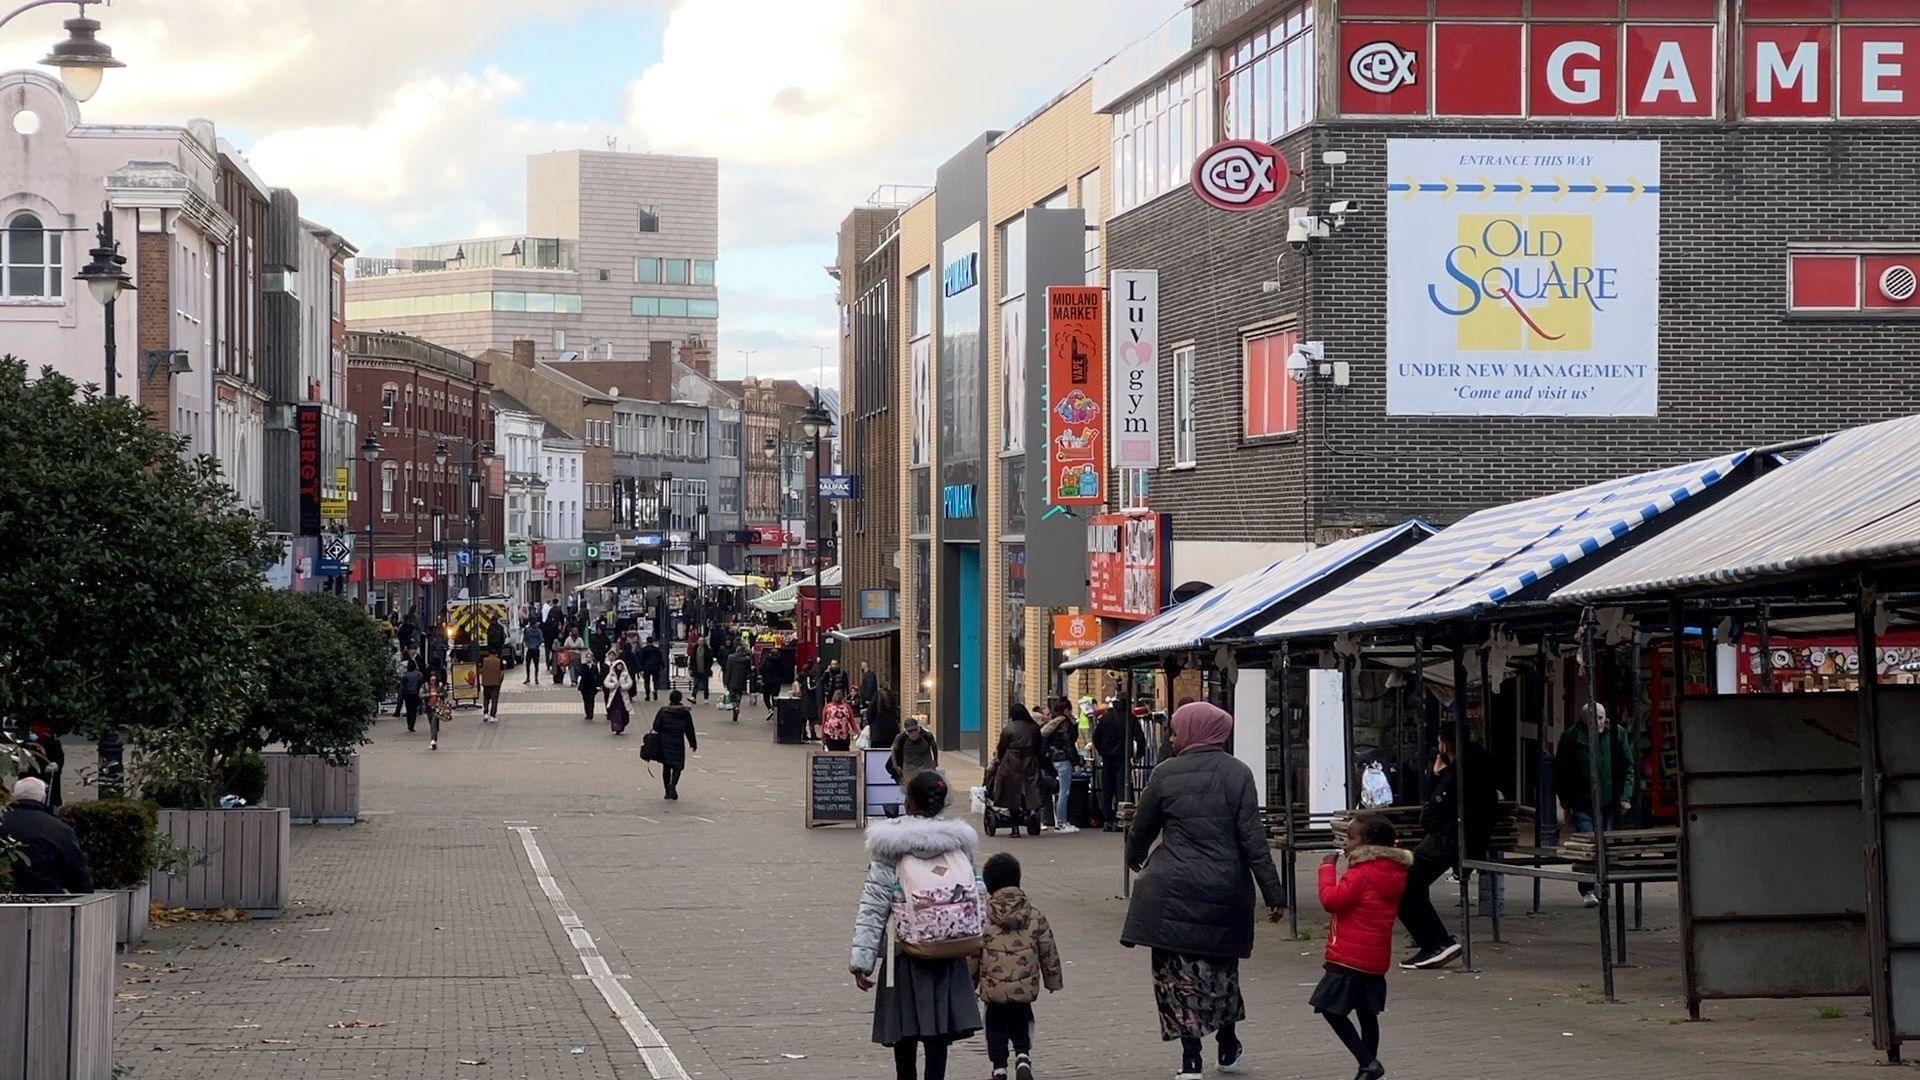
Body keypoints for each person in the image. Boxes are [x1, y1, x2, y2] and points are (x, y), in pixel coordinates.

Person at [1121, 701, 1286, 1079]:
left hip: (1171, 891)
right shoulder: (1238, 773)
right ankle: (1227, 1045)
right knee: (1221, 973)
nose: (1174, 737)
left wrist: (1134, 859)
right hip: (1224, 892)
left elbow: (1142, 829)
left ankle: (1190, 1059)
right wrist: (1273, 894)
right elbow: (1253, 840)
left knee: (1176, 979)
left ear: (1194, 731)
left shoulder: (1165, 773)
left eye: (1177, 730)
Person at [850, 771, 983, 1080]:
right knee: (938, 1033)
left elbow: (874, 904)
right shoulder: (959, 843)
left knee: (904, 1029)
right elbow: (976, 895)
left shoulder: (891, 844)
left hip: (905, 954)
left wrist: (862, 960)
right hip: (949, 950)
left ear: (909, 801)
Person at [1314, 812, 1412, 1080]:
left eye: (1351, 837)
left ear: (1367, 843)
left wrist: (1326, 869)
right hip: (1375, 958)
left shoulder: (1361, 874)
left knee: (1329, 1008)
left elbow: (1331, 900)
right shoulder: (1395, 871)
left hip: (1349, 956)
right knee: (1367, 1014)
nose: (1346, 843)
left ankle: (1368, 1062)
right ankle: (1365, 1070)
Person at [1396, 728, 1496, 970]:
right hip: (1462, 839)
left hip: (1447, 842)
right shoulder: (1477, 768)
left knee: (1405, 889)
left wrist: (1437, 775)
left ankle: (1436, 944)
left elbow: (1431, 813)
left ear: (1446, 745)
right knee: (1412, 887)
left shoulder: (1458, 775)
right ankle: (1435, 943)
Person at [973, 852, 1063, 1080]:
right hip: (1024, 987)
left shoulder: (983, 916)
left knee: (994, 1026)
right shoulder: (1035, 915)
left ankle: (999, 1067)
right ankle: (1023, 1056)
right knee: (1023, 1018)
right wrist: (1053, 981)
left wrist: (969, 981)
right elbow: (1048, 950)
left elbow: (973, 954)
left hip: (994, 991)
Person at [1554, 702, 1634, 907]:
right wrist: (1566, 804)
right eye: (1593, 718)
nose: (1598, 722)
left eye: (1601, 718)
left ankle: (1602, 883)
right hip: (1582, 801)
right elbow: (1561, 773)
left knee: (1604, 845)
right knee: (1587, 843)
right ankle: (1588, 888)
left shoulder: (1616, 733)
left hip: (1610, 801)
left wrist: (1625, 796)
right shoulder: (1572, 737)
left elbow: (1628, 767)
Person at [0, 777, 91, 893]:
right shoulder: (59, 829)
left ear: (13, 796)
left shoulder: (3, 821)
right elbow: (76, 871)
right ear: (43, 798)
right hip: (48, 897)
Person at [986, 704, 1047, 834]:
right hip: (1030, 762)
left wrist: (999, 761)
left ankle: (1015, 829)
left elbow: (1001, 748)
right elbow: (1039, 746)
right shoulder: (1033, 728)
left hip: (1011, 763)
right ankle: (1031, 814)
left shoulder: (1008, 729)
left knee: (1012, 795)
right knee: (1031, 790)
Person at [1092, 698, 1149, 832]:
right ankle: (1121, 819)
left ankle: (1108, 819)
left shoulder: (1105, 718)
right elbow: (1140, 738)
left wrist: (1102, 751)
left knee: (1107, 788)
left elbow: (1096, 737)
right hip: (1123, 757)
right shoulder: (1130, 718)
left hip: (1107, 758)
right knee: (1122, 788)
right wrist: (1138, 755)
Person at [1040, 699, 1082, 833]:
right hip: (1064, 760)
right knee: (1064, 792)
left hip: (1053, 760)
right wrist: (1076, 763)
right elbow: (1069, 744)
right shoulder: (1065, 725)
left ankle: (1061, 821)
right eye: (1070, 709)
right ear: (1066, 710)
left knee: (1060, 792)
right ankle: (1061, 823)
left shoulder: (1053, 724)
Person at [650, 689, 699, 800]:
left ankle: (667, 790)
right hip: (678, 742)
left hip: (664, 742)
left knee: (666, 767)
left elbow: (656, 726)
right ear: (680, 699)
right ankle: (673, 785)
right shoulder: (685, 712)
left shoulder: (663, 711)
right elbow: (689, 729)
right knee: (678, 766)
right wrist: (693, 743)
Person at [890, 716, 940, 788]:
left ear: (918, 728)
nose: (913, 733)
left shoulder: (927, 735)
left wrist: (935, 760)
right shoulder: (901, 738)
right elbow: (894, 750)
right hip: (909, 768)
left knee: (927, 788)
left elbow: (934, 746)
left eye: (915, 730)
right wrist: (895, 765)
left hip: (925, 766)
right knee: (911, 789)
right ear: (906, 732)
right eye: (910, 731)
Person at [605, 658, 638, 736]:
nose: (619, 667)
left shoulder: (625, 674)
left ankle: (622, 725)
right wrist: (613, 685)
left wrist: (623, 686)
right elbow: (606, 682)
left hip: (623, 696)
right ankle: (616, 727)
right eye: (618, 665)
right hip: (614, 696)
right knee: (615, 712)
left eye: (621, 665)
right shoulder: (611, 674)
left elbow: (630, 683)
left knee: (623, 711)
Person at [725, 643, 754, 722]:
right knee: (739, 696)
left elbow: (728, 671)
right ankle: (737, 706)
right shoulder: (746, 659)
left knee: (732, 696)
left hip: (732, 680)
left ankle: (735, 707)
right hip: (742, 681)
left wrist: (726, 681)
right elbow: (749, 671)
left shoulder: (730, 658)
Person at [425, 669, 451, 751]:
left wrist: (441, 691)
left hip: (437, 706)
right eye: (432, 680)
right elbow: (421, 694)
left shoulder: (439, 686)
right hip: (429, 706)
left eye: (434, 680)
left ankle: (433, 741)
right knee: (432, 723)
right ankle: (434, 739)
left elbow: (446, 694)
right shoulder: (426, 686)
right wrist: (429, 694)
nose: (433, 681)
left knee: (433, 723)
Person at [478, 647, 505, 721]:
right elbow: (502, 673)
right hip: (496, 683)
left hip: (486, 683)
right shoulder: (499, 661)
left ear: (489, 654)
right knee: (494, 700)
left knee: (486, 698)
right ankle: (493, 716)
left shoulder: (484, 660)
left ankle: (485, 713)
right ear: (496, 654)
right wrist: (500, 681)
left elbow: (480, 671)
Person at [578, 650, 605, 722]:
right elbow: (582, 674)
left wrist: (598, 685)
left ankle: (591, 714)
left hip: (592, 686)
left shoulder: (594, 667)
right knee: (586, 700)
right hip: (584, 686)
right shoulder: (583, 666)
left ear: (592, 658)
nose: (588, 659)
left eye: (590, 657)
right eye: (587, 657)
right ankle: (587, 713)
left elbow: (598, 676)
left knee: (591, 700)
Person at [637, 637, 666, 701]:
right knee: (655, 680)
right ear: (652, 641)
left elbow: (641, 660)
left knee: (646, 681)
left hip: (646, 667)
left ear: (647, 642)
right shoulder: (656, 649)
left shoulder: (643, 650)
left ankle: (647, 695)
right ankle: (655, 691)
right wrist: (663, 667)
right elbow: (660, 658)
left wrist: (640, 669)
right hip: (655, 667)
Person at [688, 635, 713, 701]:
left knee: (705, 685)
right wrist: (691, 668)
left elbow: (710, 660)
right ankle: (693, 696)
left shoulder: (707, 650)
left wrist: (708, 667)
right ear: (698, 641)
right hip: (696, 669)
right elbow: (692, 659)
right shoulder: (695, 649)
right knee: (696, 684)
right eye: (699, 641)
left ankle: (706, 698)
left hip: (705, 670)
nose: (701, 642)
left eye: (702, 641)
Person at [522, 620, 545, 685]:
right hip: (532, 649)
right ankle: (529, 677)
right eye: (536, 624)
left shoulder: (538, 631)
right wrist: (531, 645)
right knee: (528, 664)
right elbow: (526, 639)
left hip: (534, 649)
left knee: (535, 664)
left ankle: (535, 678)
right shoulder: (530, 631)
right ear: (533, 624)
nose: (537, 625)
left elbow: (541, 640)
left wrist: (534, 645)